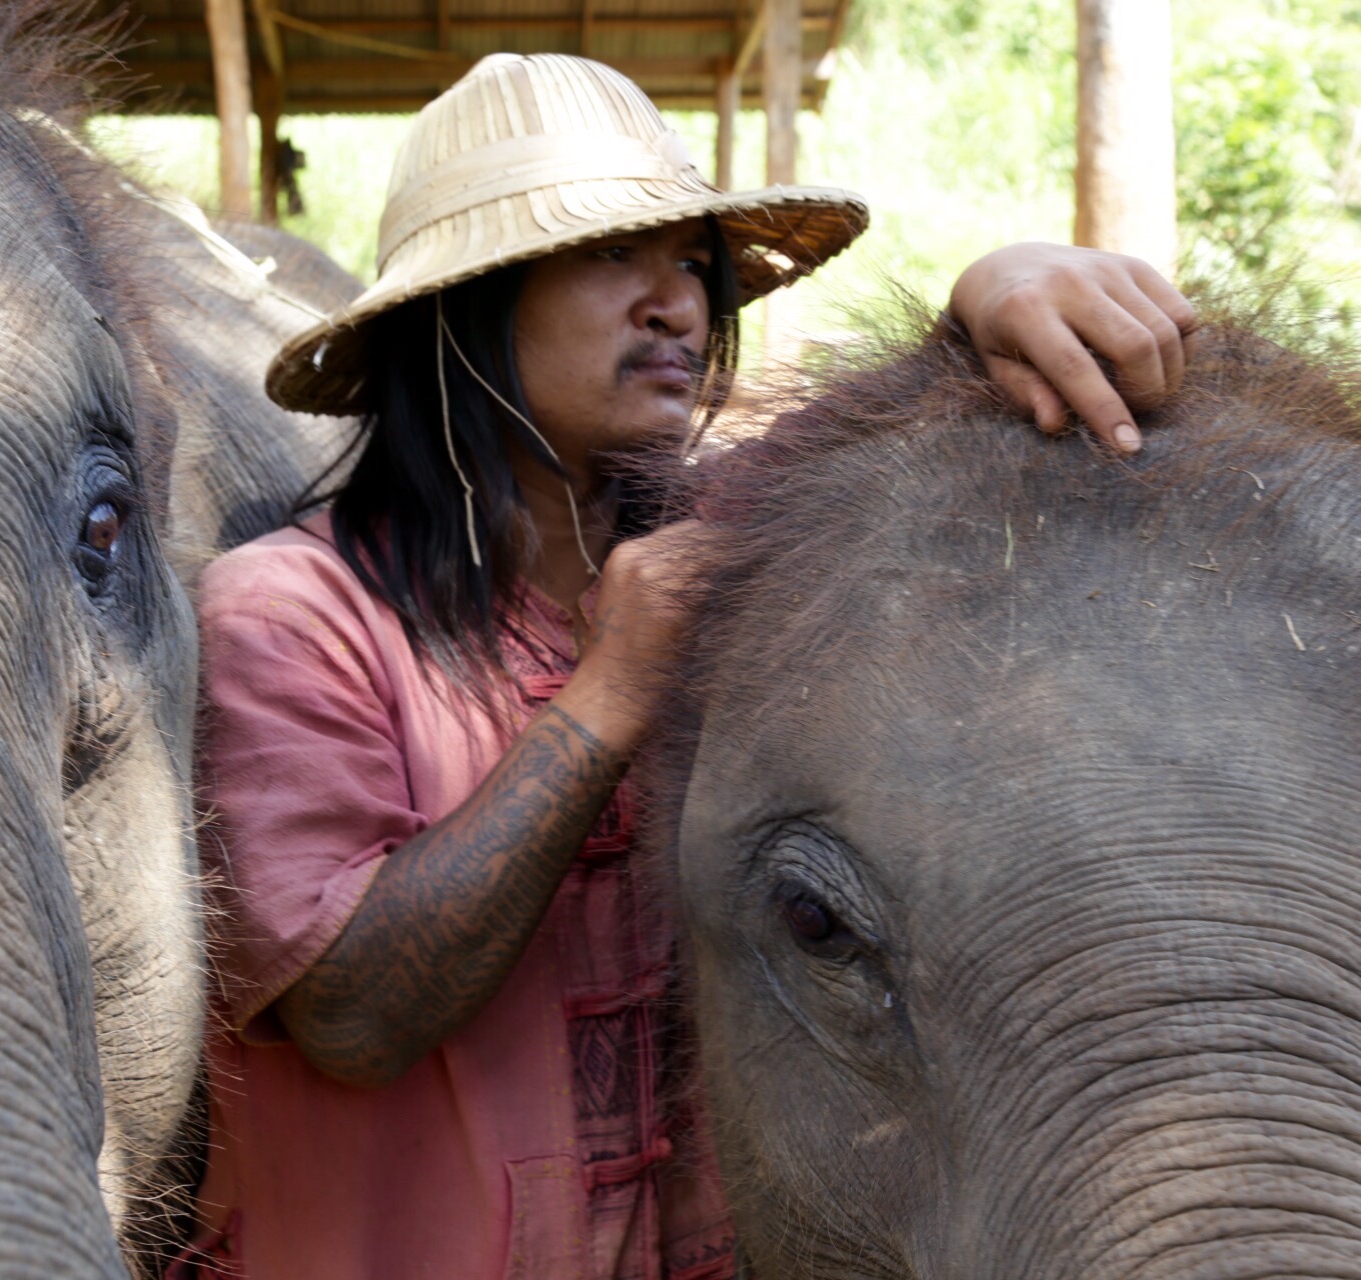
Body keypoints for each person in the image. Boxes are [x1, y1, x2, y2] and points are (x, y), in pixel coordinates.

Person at [178, 54, 1196, 1280]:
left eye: (693, 267)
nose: (676, 306)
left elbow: (877, 446)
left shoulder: (722, 565)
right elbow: (349, 1015)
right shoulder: (293, 612)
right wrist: (608, 694)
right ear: (461, 307)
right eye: (612, 257)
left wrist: (994, 286)